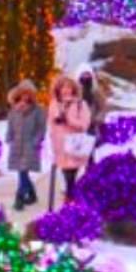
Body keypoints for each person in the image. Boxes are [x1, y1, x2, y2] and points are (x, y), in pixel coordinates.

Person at [48, 73, 93, 202]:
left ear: (74, 89)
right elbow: (51, 126)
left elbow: (84, 125)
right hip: (60, 148)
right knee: (67, 178)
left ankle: (71, 203)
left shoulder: (80, 104)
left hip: (74, 147)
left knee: (71, 177)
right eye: (63, 87)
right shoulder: (54, 104)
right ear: (58, 89)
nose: (66, 90)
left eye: (69, 87)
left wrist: (70, 120)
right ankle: (72, 202)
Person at [5, 79, 47, 210]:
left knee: (23, 172)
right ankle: (32, 194)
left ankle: (19, 199)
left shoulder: (38, 111)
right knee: (22, 173)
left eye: (28, 93)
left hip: (30, 146)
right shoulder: (13, 110)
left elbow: (41, 128)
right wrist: (9, 138)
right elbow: (10, 126)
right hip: (16, 146)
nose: (25, 96)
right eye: (23, 92)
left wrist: (35, 141)